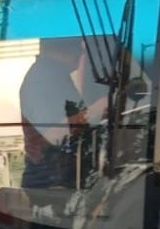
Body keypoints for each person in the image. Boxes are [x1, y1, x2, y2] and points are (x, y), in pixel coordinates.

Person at [19, 37, 102, 190]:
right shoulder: (42, 79)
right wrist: (98, 109)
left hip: (58, 175)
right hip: (50, 182)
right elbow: (52, 133)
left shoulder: (55, 75)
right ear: (61, 46)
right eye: (78, 47)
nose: (81, 54)